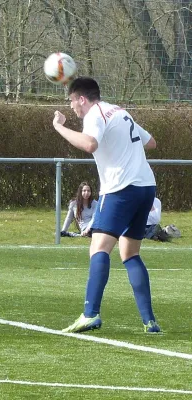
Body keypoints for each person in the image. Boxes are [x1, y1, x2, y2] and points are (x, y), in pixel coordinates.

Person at [52, 77, 160, 333]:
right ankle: (150, 321)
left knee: (98, 247)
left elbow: (90, 144)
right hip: (146, 187)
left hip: (121, 189)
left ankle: (90, 314)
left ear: (82, 99)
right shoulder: (120, 111)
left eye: (72, 102)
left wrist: (59, 127)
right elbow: (151, 142)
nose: (72, 108)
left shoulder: (94, 113)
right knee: (130, 253)